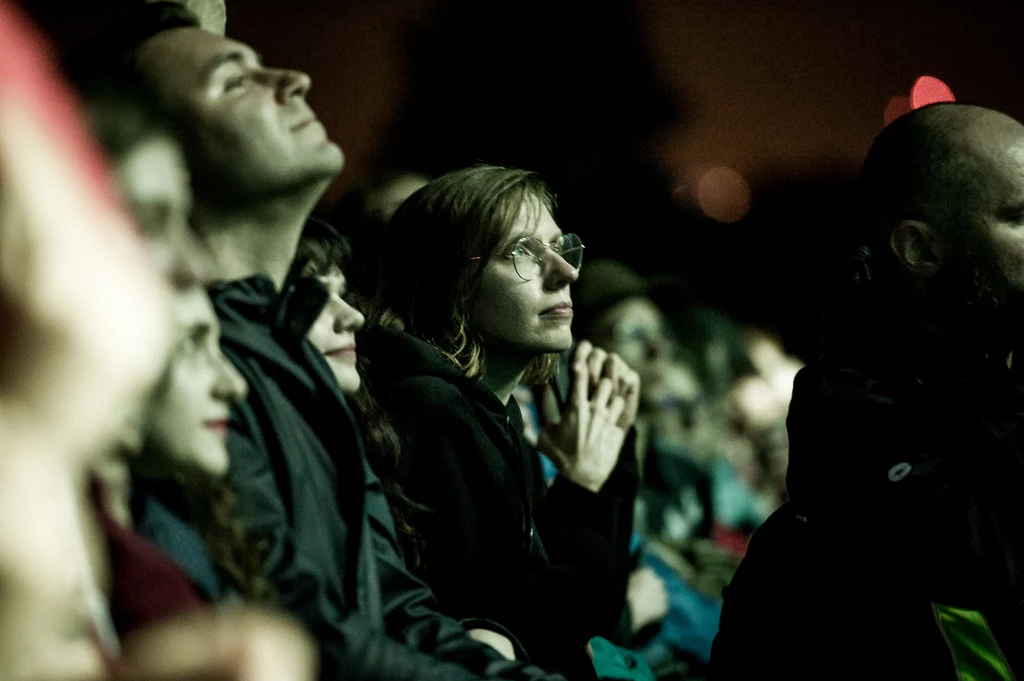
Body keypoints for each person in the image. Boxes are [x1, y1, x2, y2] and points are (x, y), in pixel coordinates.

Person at [80, 5, 568, 680]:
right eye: (233, 79)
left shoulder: (296, 355)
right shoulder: (194, 372)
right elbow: (310, 631)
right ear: (163, 159)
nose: (295, 79)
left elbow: (393, 602)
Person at [710, 103, 1024, 679]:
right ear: (920, 250)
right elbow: (985, 560)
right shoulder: (856, 421)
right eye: (1020, 217)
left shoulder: (996, 376)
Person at [363, 165, 642, 678]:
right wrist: (582, 489)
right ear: (453, 282)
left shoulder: (496, 412)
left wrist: (609, 461)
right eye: (524, 253)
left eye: (561, 246)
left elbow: (582, 614)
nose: (566, 271)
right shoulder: (429, 409)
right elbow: (533, 629)